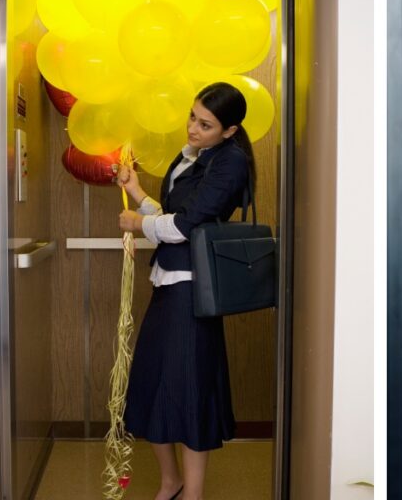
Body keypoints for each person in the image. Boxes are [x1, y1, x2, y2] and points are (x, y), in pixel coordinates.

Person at [116, 82, 255, 500]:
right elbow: (173, 217)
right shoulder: (192, 154)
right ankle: (171, 483)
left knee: (189, 391)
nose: (193, 128)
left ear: (229, 131)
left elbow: (184, 226)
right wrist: (138, 192)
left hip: (192, 292)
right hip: (168, 285)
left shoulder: (230, 162)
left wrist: (138, 224)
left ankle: (190, 493)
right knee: (155, 385)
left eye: (206, 124)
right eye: (193, 116)